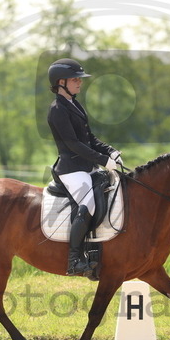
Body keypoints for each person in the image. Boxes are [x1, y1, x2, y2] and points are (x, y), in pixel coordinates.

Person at [47, 58, 123, 276]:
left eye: (79, 79)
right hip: (71, 169)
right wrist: (103, 161)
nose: (80, 82)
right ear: (61, 82)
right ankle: (74, 260)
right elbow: (74, 144)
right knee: (87, 204)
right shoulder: (57, 110)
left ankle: (98, 250)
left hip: (87, 166)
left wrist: (110, 151)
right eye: (75, 79)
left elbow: (89, 138)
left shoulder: (74, 104)